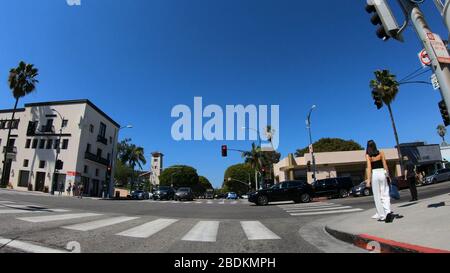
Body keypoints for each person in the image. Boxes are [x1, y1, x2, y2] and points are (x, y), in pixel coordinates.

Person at [365, 140, 395, 223]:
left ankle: (382, 216)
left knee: (377, 196)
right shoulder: (381, 153)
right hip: (382, 173)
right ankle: (388, 211)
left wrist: (368, 180)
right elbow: (385, 165)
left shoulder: (368, 155)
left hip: (375, 174)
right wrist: (388, 175)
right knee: (385, 193)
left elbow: (369, 167)